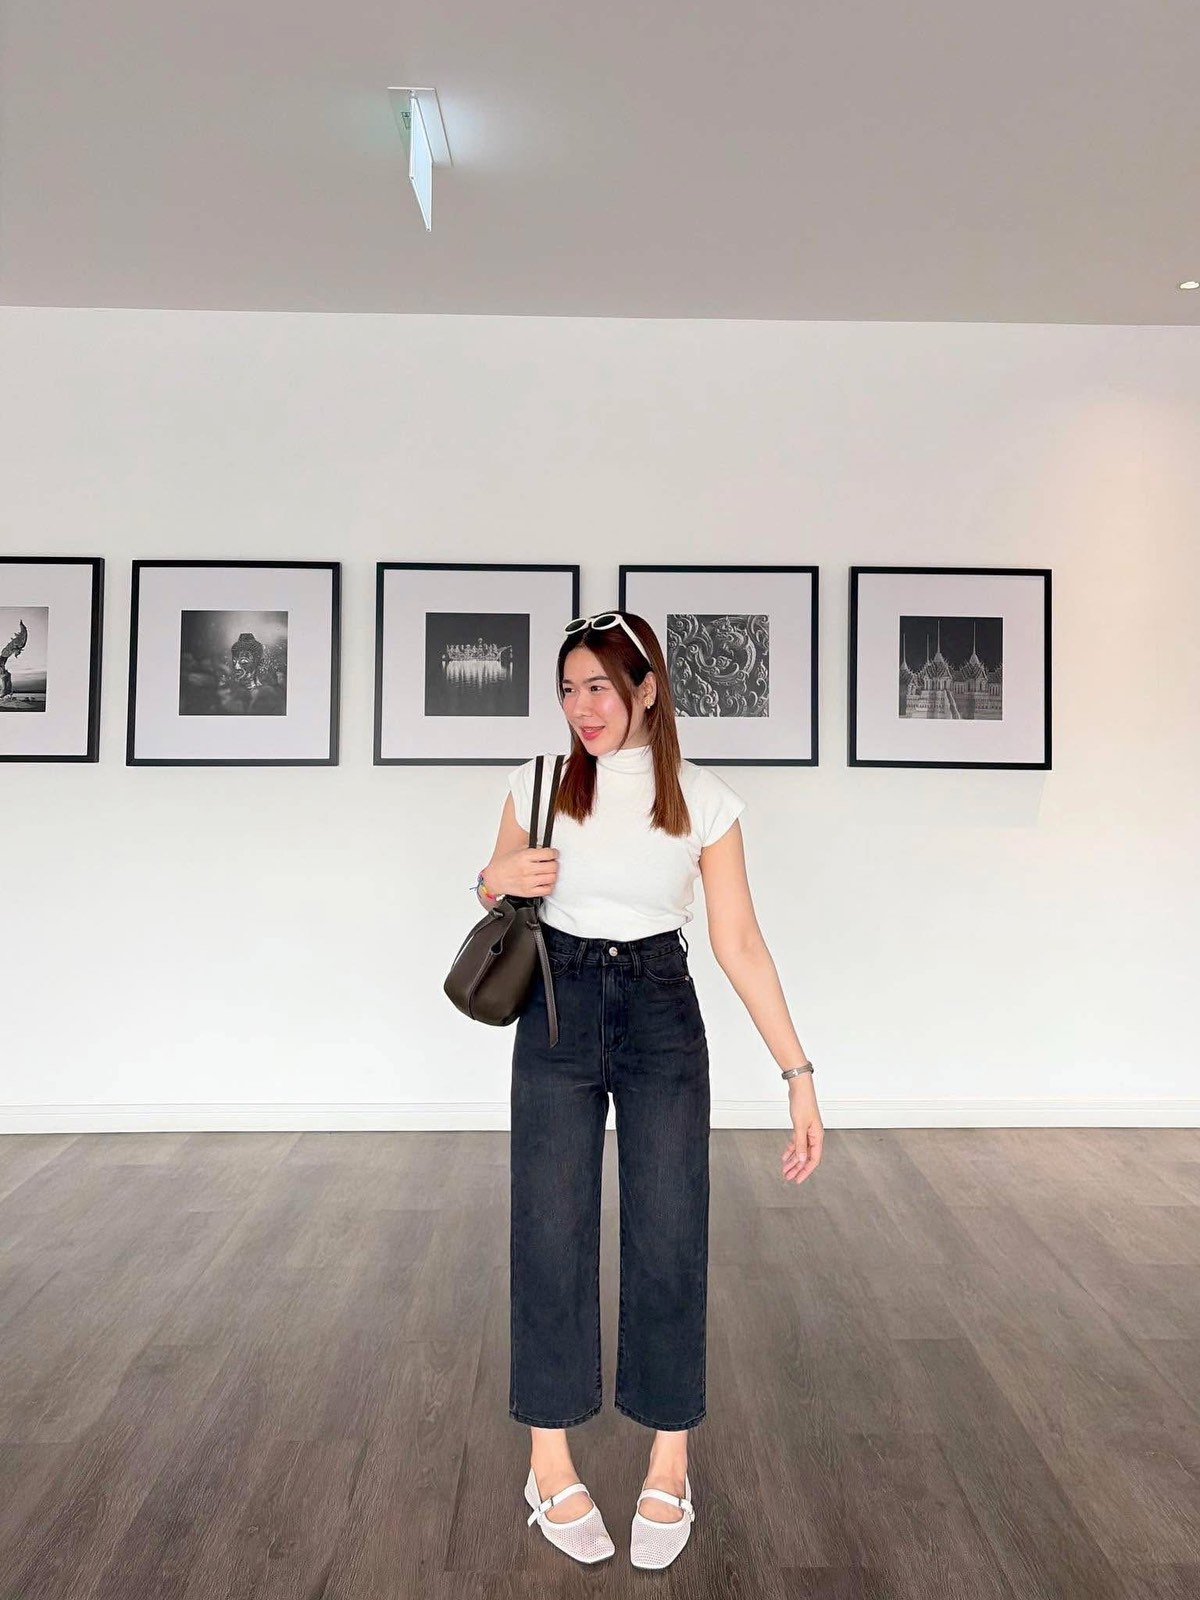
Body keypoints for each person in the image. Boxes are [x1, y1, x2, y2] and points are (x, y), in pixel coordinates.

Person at [474, 610, 823, 1571]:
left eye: (599, 686)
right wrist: (493, 876)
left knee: (671, 1231)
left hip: (662, 1007)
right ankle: (549, 1462)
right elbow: (496, 898)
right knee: (549, 1228)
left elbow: (739, 943)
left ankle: (671, 1460)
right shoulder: (536, 783)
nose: (581, 708)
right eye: (568, 689)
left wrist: (798, 1076)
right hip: (557, 1006)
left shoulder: (704, 801)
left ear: (646, 688)